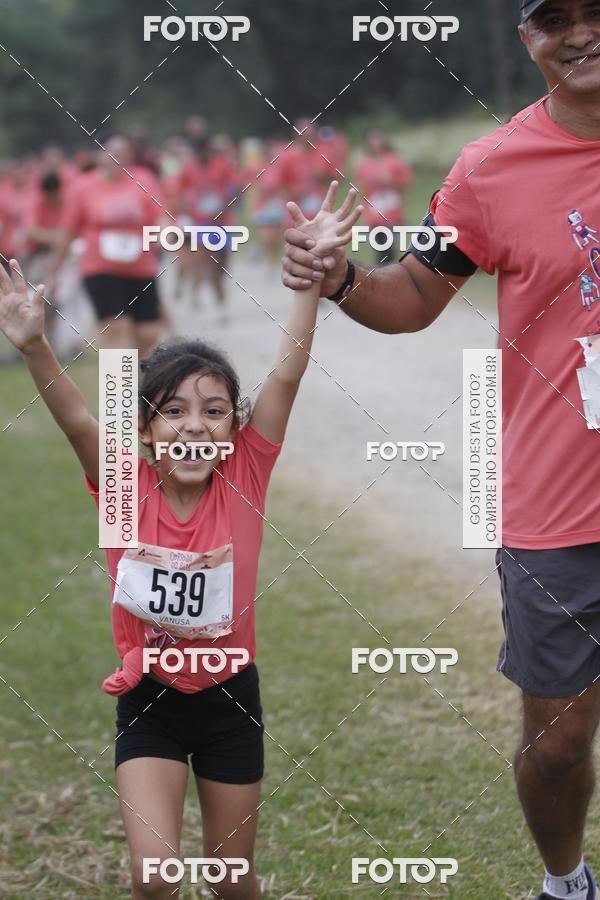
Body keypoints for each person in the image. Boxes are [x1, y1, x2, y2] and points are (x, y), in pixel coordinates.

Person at [282, 2, 600, 898]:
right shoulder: (492, 169)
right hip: (555, 502)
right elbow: (416, 293)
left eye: (594, 10)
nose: (579, 33)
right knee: (560, 739)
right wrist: (341, 277)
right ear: (526, 38)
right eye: (553, 19)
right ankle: (566, 882)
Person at [0, 182, 361, 899]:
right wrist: (35, 343)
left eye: (215, 410)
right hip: (150, 703)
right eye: (173, 411)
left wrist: (312, 281)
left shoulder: (245, 478)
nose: (195, 425)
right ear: (144, 428)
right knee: (155, 877)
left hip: (231, 701)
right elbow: (77, 420)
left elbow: (286, 370)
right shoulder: (123, 485)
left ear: (236, 430)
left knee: (231, 881)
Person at [47, 135, 166, 359]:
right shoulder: (83, 187)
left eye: (122, 152)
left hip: (141, 266)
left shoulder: (144, 179)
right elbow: (67, 232)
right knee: (116, 329)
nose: (117, 158)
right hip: (100, 267)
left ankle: (136, 381)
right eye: (111, 152)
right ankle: (118, 392)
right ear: (100, 155)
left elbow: (161, 216)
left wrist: (164, 234)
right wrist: (54, 272)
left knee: (148, 332)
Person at [355, 129, 413, 265]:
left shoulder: (394, 160)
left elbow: (406, 182)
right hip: (374, 213)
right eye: (372, 140)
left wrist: (390, 181)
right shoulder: (364, 163)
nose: (375, 143)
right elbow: (361, 189)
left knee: (390, 248)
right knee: (380, 247)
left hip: (393, 213)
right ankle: (385, 274)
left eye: (378, 139)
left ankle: (389, 275)